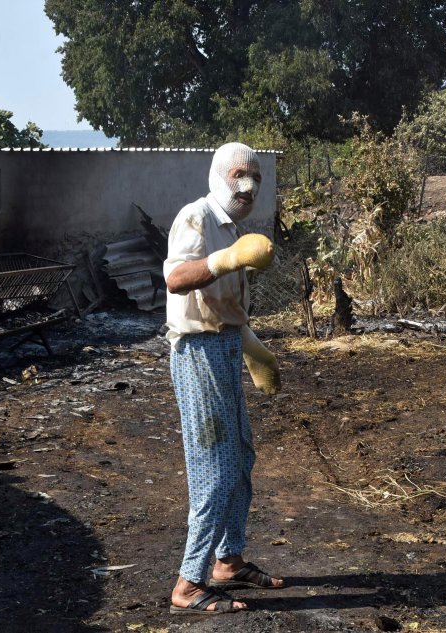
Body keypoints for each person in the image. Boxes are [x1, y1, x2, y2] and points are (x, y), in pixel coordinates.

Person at [164, 142, 285, 615]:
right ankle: (188, 584)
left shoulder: (233, 227)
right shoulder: (195, 218)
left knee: (242, 457)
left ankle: (228, 561)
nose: (249, 185)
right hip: (197, 355)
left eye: (255, 177)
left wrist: (255, 352)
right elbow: (175, 280)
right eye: (240, 175)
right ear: (219, 174)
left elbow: (226, 309)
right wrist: (226, 259)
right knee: (214, 470)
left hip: (225, 349)